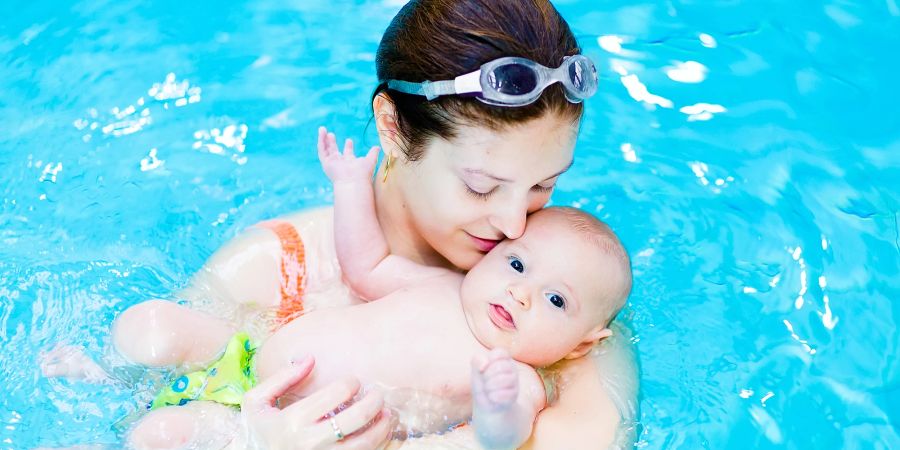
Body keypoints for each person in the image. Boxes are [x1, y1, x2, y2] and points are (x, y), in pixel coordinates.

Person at [43, 0, 637, 448]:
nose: (514, 224)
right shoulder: (268, 269)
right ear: (393, 129)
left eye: (542, 185)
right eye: (480, 185)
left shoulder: (566, 300)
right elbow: (151, 417)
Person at [126, 133, 631, 449]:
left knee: (157, 438)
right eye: (517, 264)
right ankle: (111, 380)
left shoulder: (516, 379)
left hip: (299, 434)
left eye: (555, 300)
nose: (521, 294)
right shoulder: (444, 285)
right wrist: (350, 189)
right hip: (246, 355)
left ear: (585, 342)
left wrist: (496, 406)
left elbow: (504, 438)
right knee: (146, 327)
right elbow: (366, 265)